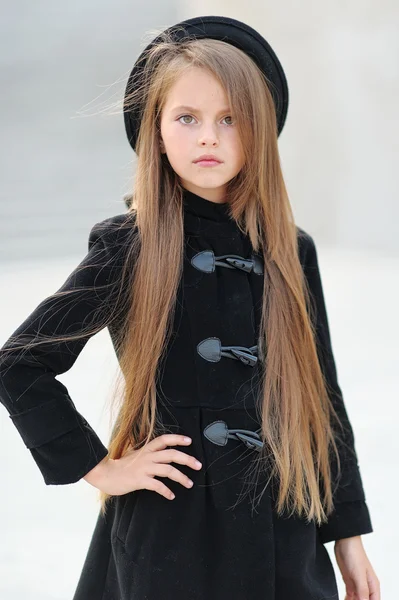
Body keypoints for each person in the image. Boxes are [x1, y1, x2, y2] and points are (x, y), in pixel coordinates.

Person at [0, 15, 379, 600]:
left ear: (260, 130)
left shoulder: (288, 249)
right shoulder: (131, 245)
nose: (209, 136)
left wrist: (348, 537)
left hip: (284, 531)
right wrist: (100, 467)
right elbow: (20, 363)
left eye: (230, 119)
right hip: (169, 538)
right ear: (155, 129)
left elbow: (320, 398)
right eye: (187, 118)